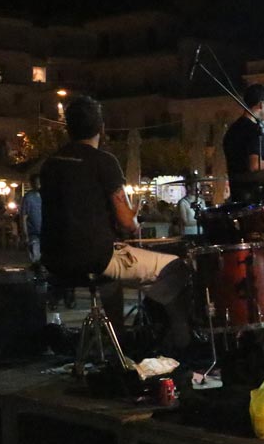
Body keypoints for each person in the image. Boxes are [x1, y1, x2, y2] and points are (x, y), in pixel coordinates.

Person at [40, 96, 190, 355]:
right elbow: (127, 223)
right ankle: (180, 341)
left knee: (111, 278)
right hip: (95, 257)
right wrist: (133, 218)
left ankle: (117, 342)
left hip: (54, 259)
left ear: (68, 128)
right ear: (102, 128)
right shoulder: (104, 161)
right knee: (175, 268)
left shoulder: (50, 164)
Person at [222, 83, 264, 204]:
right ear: (261, 104)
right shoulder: (254, 130)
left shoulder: (232, 130)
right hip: (255, 198)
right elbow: (254, 165)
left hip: (237, 196)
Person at [20, 176, 43, 265]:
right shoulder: (28, 197)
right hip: (33, 232)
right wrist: (25, 233)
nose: (39, 185)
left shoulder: (46, 196)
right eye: (36, 183)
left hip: (45, 232)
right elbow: (23, 217)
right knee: (36, 259)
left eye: (40, 183)